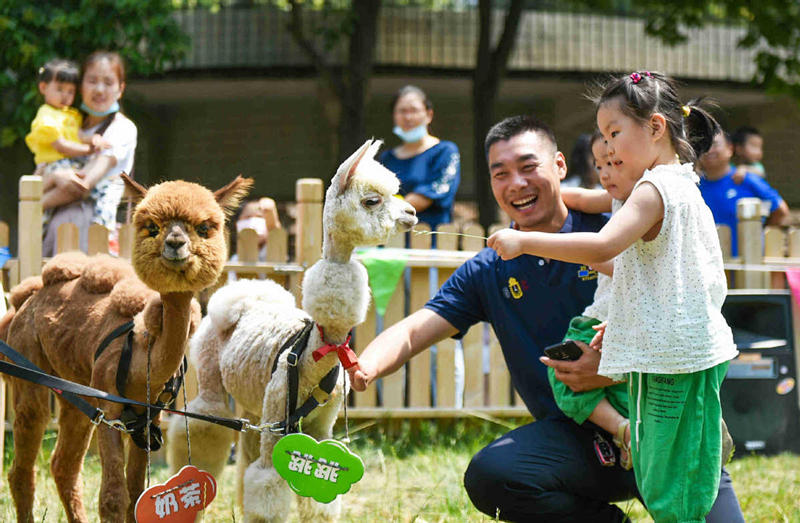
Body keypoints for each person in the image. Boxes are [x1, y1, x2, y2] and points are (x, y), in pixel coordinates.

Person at [349, 114, 744, 521]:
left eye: (528, 167)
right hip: (577, 446)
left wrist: (612, 370)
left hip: (663, 419)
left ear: (559, 166)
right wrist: (366, 367)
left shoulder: (621, 228)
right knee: (494, 475)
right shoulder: (489, 269)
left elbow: (688, 316)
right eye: (500, 174)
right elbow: (417, 328)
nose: (516, 184)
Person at [487, 73, 740, 522]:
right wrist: (538, 193)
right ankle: (688, 448)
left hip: (672, 357)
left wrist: (524, 242)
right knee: (673, 462)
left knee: (667, 476)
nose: (606, 149)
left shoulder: (652, 190)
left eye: (614, 134)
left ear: (657, 128)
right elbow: (588, 203)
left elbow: (604, 248)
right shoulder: (680, 183)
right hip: (682, 351)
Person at [41, 51, 137, 257]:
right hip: (53, 227)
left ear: (120, 89)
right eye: (92, 80)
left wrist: (36, 203)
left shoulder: (122, 129)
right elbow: (39, 175)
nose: (99, 89)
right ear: (80, 86)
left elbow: (81, 185)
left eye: (108, 82)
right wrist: (55, 177)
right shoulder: (69, 126)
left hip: (92, 230)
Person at [24, 59, 110, 204]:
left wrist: (94, 139)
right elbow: (61, 146)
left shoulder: (71, 114)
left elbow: (79, 136)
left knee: (78, 189)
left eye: (70, 91)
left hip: (70, 163)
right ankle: (39, 206)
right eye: (60, 89)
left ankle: (40, 206)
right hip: (53, 164)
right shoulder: (46, 115)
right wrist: (88, 150)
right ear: (44, 87)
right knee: (71, 187)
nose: (65, 96)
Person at [379, 85, 460, 231]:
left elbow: (432, 192)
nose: (408, 117)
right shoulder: (387, 158)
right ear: (394, 116)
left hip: (432, 239)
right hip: (392, 240)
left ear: (428, 115)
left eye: (414, 110)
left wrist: (392, 206)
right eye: (402, 111)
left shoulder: (445, 151)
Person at [698, 129, 789, 257]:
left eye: (714, 144)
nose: (709, 150)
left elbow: (781, 210)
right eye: (703, 145)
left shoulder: (746, 179)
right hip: (708, 266)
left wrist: (760, 232)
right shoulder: (694, 186)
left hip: (749, 264)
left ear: (730, 148)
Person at [228, 197, 282, 281]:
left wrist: (269, 209)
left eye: (259, 216)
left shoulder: (271, 250)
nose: (252, 221)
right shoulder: (235, 259)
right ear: (238, 223)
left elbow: (273, 228)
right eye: (247, 217)